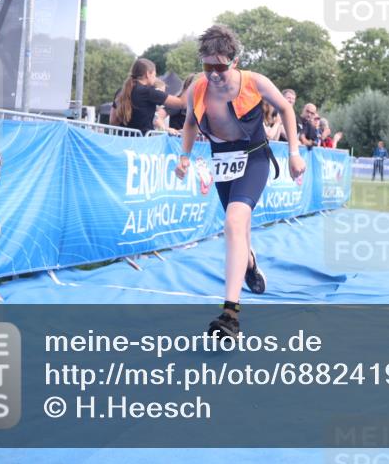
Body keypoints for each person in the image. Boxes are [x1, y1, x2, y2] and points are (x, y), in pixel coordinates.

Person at [174, 24, 305, 338]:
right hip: (223, 161)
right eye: (207, 67)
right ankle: (247, 262)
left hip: (255, 157)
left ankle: (229, 315)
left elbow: (286, 108)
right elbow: (190, 123)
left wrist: (294, 153)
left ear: (233, 61)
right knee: (237, 229)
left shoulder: (254, 81)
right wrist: (184, 156)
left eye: (220, 67)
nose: (214, 74)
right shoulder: (198, 89)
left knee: (233, 223)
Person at [110, 58, 185, 135]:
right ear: (148, 74)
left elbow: (113, 121)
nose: (155, 78)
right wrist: (194, 85)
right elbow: (181, 103)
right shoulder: (149, 92)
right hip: (143, 143)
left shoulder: (121, 91)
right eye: (155, 74)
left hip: (122, 141)